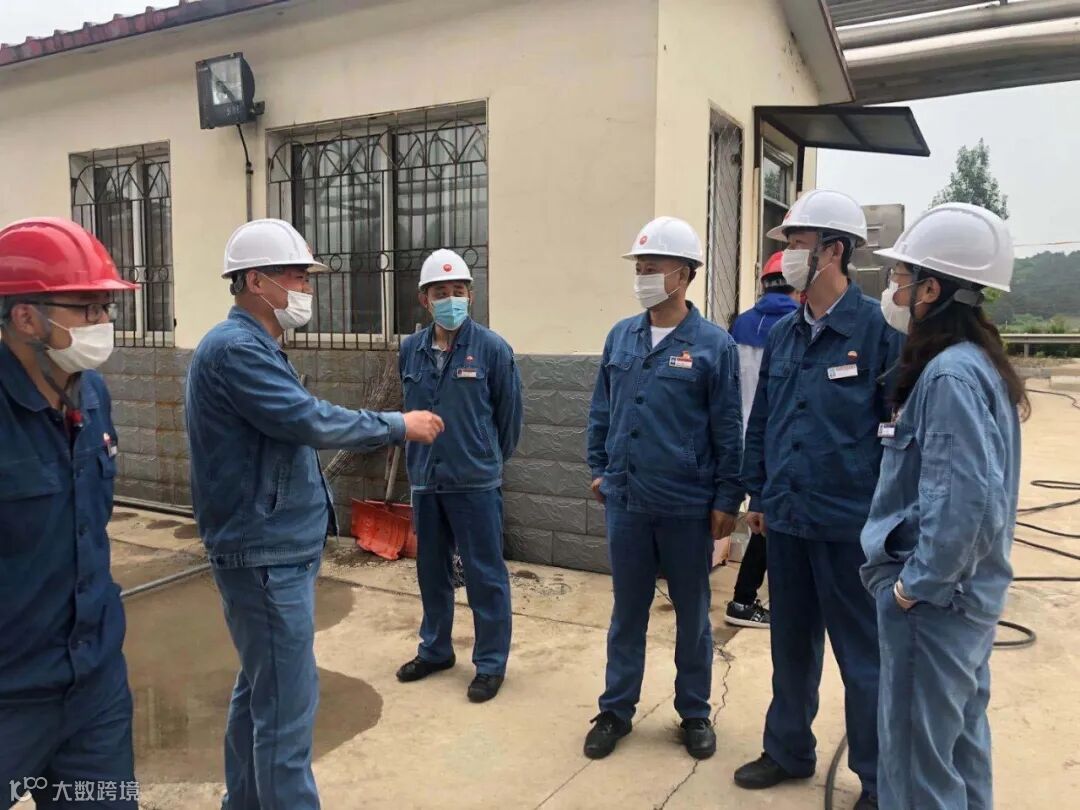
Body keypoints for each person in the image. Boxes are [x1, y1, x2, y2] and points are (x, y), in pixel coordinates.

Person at [185, 218, 444, 810]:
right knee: (286, 716)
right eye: (297, 276)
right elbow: (306, 420)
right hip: (263, 552)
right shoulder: (235, 350)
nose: (307, 288)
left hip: (273, 547)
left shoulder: (254, 345)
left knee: (262, 693)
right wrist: (397, 424)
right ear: (256, 281)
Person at [735, 190, 904, 810]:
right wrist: (757, 491)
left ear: (834, 251)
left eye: (798, 244)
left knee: (863, 659)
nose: (788, 257)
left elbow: (899, 435)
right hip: (787, 517)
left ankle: (878, 781)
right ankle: (787, 750)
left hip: (850, 525)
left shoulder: (878, 333)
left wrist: (890, 521)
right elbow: (763, 419)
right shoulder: (784, 333)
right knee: (790, 645)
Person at [861, 203, 1024, 810]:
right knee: (959, 748)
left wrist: (915, 587)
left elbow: (965, 504)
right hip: (967, 601)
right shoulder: (978, 365)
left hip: (935, 608)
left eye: (902, 276)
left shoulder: (949, 375)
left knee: (917, 772)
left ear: (932, 290)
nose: (894, 289)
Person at [584, 216, 744, 761]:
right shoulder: (621, 336)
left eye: (653, 266)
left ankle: (694, 712)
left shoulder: (714, 345)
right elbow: (601, 410)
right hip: (627, 501)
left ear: (685, 274)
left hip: (685, 505)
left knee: (692, 615)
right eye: (639, 267)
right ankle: (616, 709)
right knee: (626, 613)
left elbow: (728, 427)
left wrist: (727, 499)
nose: (644, 276)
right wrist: (599, 468)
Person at [0, 218, 139, 807]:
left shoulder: (91, 394)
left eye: (107, 306)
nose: (103, 323)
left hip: (93, 688)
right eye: (86, 308)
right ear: (26, 317)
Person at [394, 249, 523, 703]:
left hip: (475, 483)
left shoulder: (492, 349)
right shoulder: (409, 350)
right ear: (424, 300)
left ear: (470, 295)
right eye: (440, 292)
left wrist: (485, 457)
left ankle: (490, 663)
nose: (450, 299)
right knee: (432, 572)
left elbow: (509, 420)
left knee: (485, 575)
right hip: (426, 481)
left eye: (458, 291)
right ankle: (435, 650)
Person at [725, 250, 799, 629]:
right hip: (778, 439)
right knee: (769, 521)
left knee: (749, 515)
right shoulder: (799, 326)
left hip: (737, 434)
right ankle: (743, 599)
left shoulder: (740, 325)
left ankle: (738, 595)